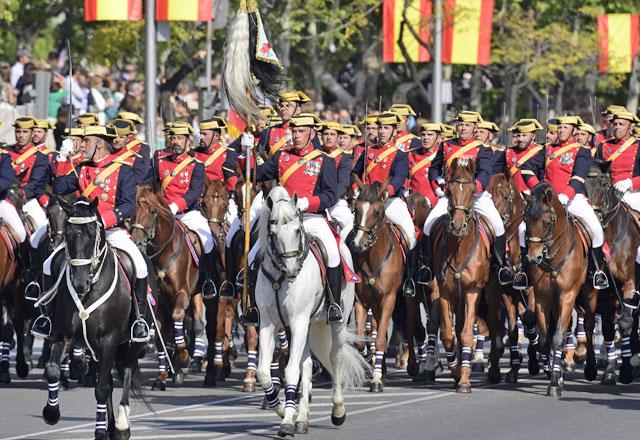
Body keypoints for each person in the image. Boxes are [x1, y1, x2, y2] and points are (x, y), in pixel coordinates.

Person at [33, 125, 150, 341]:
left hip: (111, 229)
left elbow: (128, 204)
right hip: (82, 232)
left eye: (86, 141)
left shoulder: (123, 169)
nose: (82, 144)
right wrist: (61, 157)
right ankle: (48, 318)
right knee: (49, 263)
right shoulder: (82, 168)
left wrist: (103, 221)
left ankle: (139, 320)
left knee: (140, 265)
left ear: (99, 144)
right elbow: (59, 188)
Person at [244, 113, 343, 324]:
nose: (296, 136)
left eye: (301, 132)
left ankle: (333, 304)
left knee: (333, 253)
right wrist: (248, 152)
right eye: (294, 131)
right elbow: (257, 174)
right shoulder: (282, 157)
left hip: (311, 217)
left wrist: (309, 202)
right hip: (284, 220)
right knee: (252, 255)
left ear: (311, 133)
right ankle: (254, 306)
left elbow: (331, 195)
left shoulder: (323, 160)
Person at [422, 111, 514, 286]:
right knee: (428, 225)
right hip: (451, 196)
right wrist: (438, 187)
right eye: (461, 124)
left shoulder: (483, 149)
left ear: (474, 128)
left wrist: (474, 189)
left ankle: (501, 267)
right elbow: (434, 169)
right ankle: (426, 267)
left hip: (476, 196)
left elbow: (485, 172)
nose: (463, 128)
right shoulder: (446, 146)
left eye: (467, 125)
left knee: (498, 224)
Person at [521, 115, 608, 289]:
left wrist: (564, 196)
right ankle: (525, 274)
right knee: (522, 229)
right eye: (559, 128)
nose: (560, 131)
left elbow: (579, 176)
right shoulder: (545, 150)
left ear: (574, 131)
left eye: (565, 128)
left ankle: (596, 272)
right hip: (546, 199)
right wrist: (540, 190)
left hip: (572, 198)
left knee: (597, 230)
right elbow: (526, 169)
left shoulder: (581, 151)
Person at [146, 121, 217, 298]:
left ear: (188, 141)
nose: (176, 141)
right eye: (173, 138)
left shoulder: (196, 165)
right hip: (162, 214)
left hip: (188, 214)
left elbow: (194, 192)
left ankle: (209, 280)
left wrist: (175, 205)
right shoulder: (160, 160)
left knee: (208, 241)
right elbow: (149, 183)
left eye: (180, 138)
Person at [352, 112, 419, 296]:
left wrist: (388, 190)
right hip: (367, 202)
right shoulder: (367, 152)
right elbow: (355, 173)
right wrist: (358, 190)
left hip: (390, 201)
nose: (382, 132)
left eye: (386, 128)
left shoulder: (399, 154)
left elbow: (398, 177)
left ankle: (409, 280)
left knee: (410, 237)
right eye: (380, 127)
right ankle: (351, 276)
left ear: (393, 131)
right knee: (347, 235)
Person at [596, 110, 640, 305]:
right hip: (607, 196)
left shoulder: (638, 146)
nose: (617, 127)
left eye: (621, 124)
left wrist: (630, 183)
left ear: (630, 127)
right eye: (614, 124)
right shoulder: (603, 147)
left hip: (632, 194)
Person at [507, 118, 545, 290]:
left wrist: (535, 193)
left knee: (524, 231)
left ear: (533, 136)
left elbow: (544, 177)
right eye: (518, 135)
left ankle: (524, 270)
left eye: (524, 135)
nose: (520, 139)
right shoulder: (507, 153)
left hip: (532, 201)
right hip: (509, 202)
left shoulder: (540, 152)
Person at [192, 117, 239, 225]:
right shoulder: (193, 154)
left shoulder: (228, 154)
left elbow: (232, 183)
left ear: (216, 136)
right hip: (196, 200)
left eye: (205, 134)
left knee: (233, 226)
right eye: (201, 133)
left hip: (221, 200)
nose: (201, 137)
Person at [320, 121, 354, 241]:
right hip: (314, 200)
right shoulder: (314, 154)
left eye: (332, 134)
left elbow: (343, 183)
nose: (329, 137)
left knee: (352, 228)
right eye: (326, 134)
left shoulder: (345, 157)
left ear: (338, 137)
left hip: (335, 202)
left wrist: (328, 200)